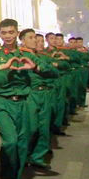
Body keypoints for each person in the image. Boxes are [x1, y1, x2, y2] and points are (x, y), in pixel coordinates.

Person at [0, 19, 56, 179]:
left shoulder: (26, 55)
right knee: (10, 142)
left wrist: (36, 67)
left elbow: (52, 72)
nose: (7, 36)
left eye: (11, 32)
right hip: (1, 102)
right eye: (4, 33)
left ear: (16, 33)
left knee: (22, 145)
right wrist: (3, 67)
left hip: (23, 102)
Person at [20, 29, 58, 170]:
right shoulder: (20, 56)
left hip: (44, 94)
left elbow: (54, 72)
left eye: (36, 37)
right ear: (23, 41)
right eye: (31, 38)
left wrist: (39, 68)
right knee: (31, 128)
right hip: (30, 94)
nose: (35, 40)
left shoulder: (41, 58)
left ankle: (38, 157)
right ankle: (24, 155)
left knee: (44, 127)